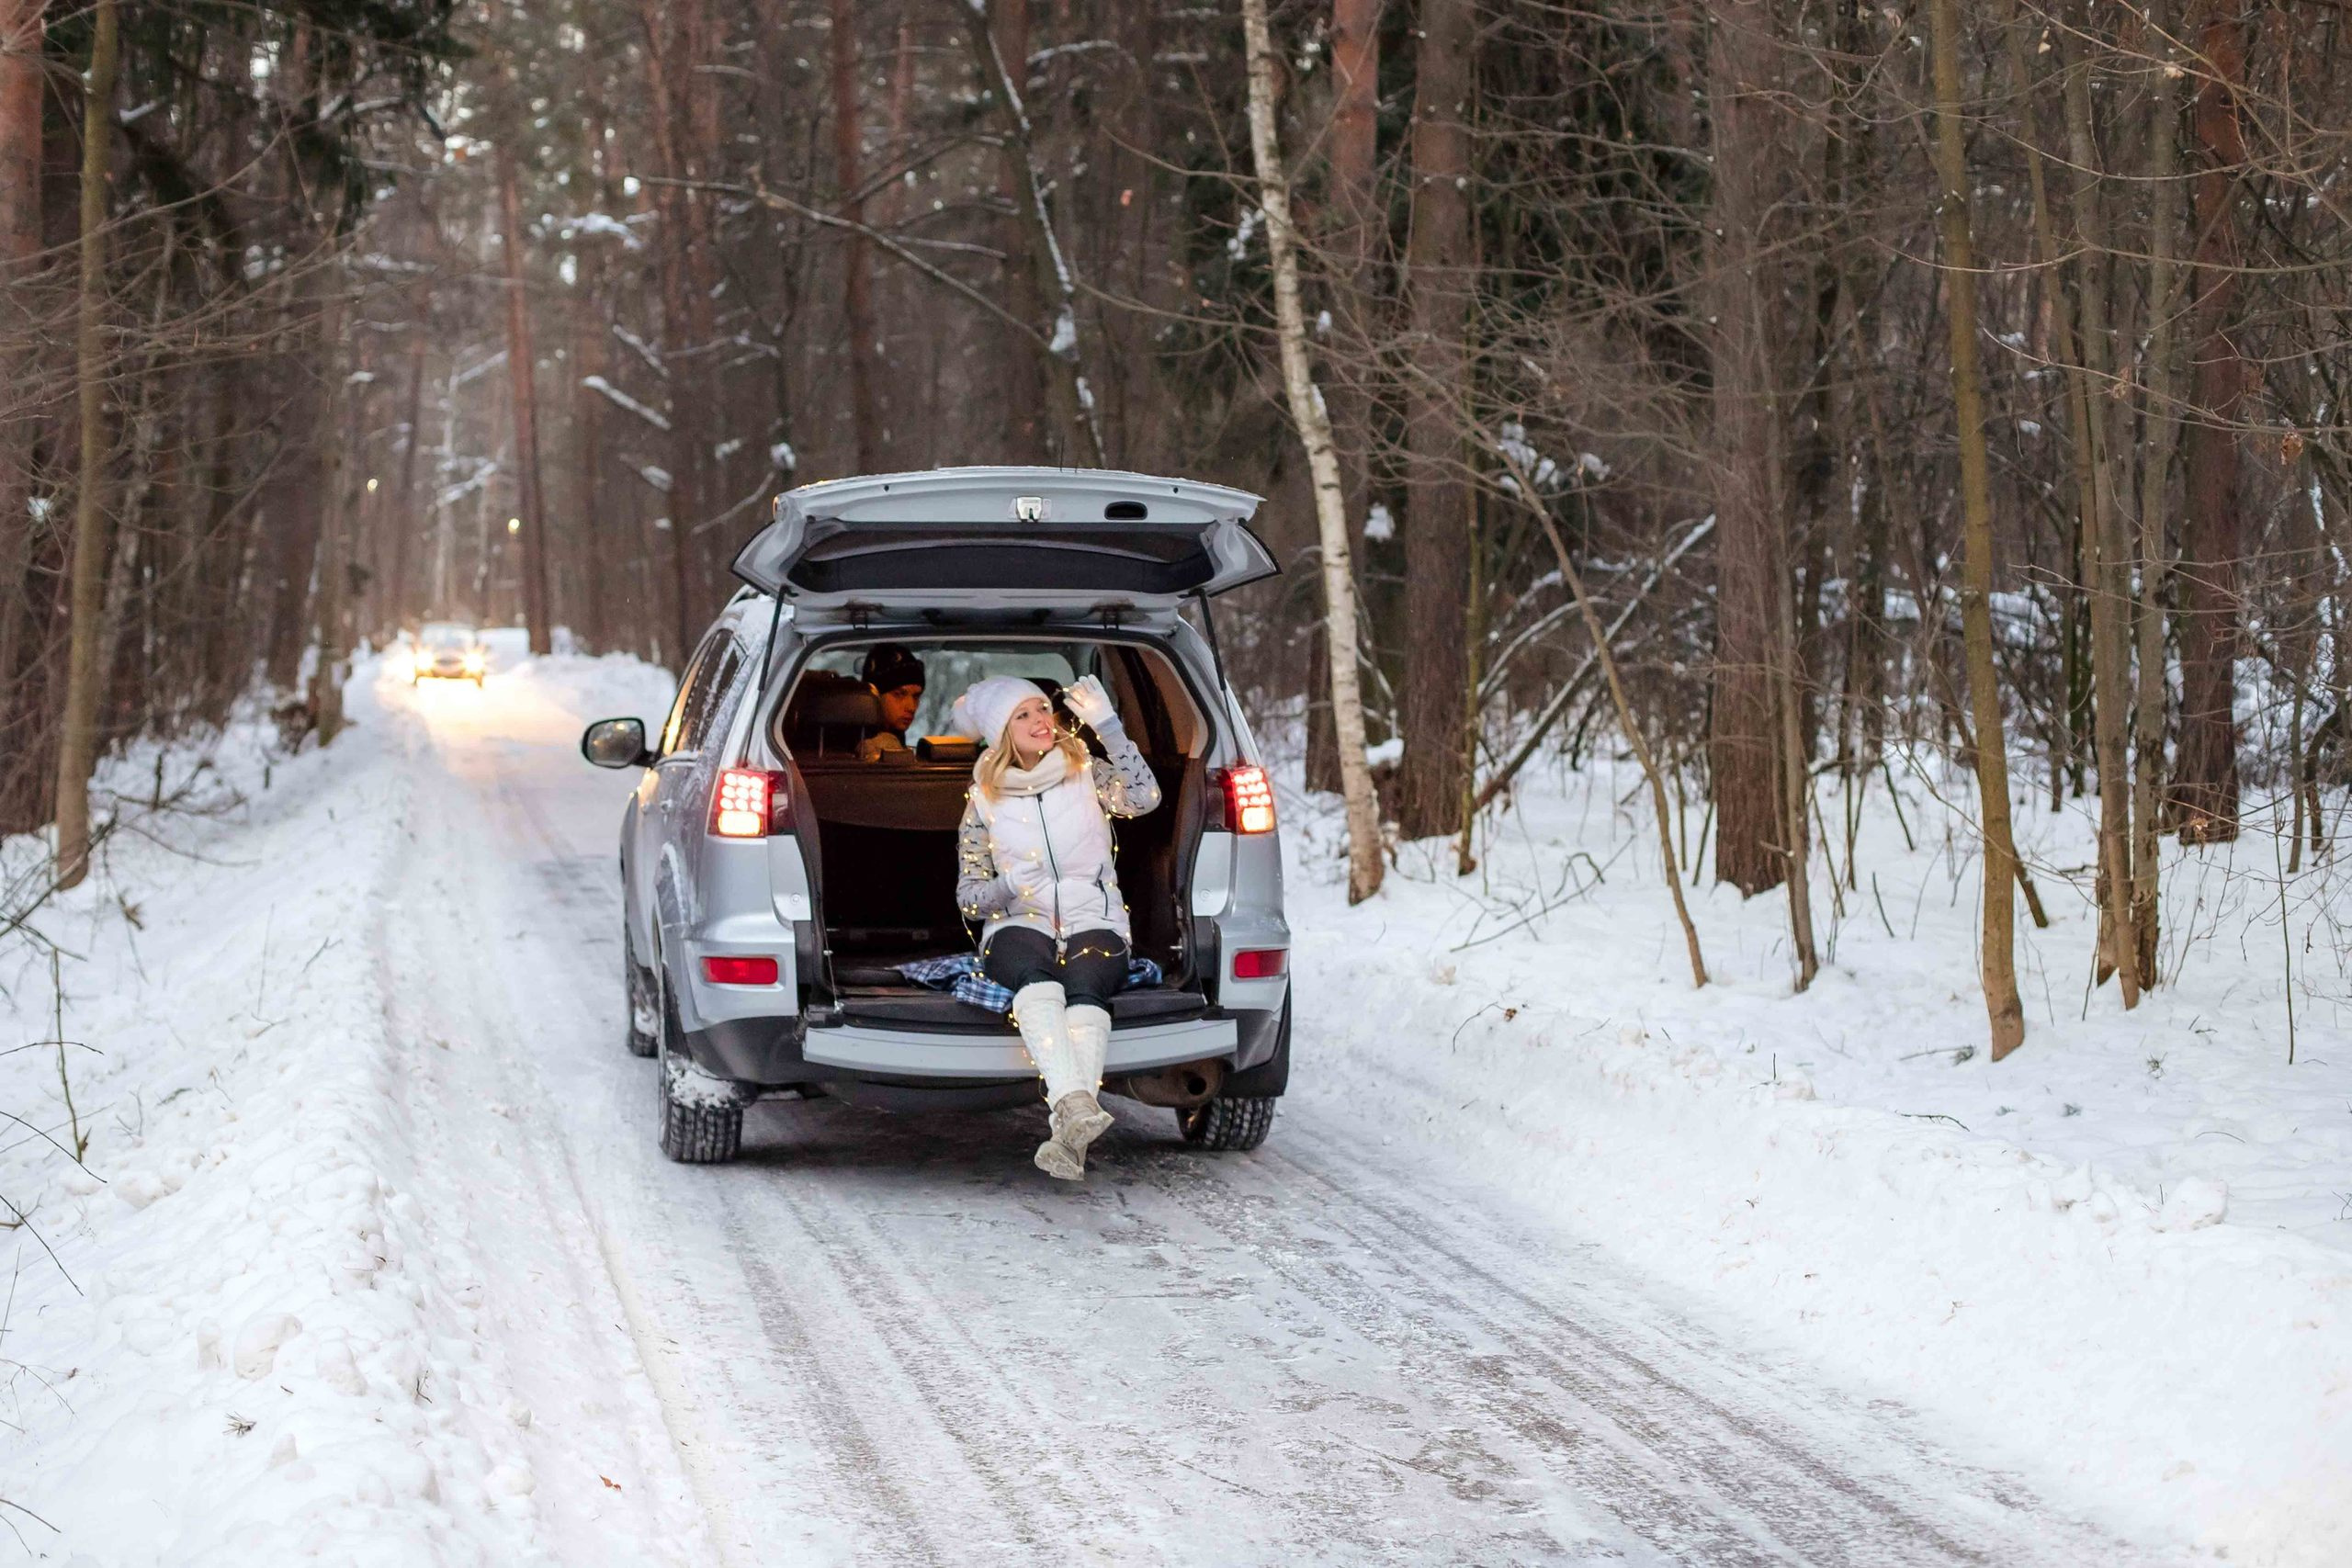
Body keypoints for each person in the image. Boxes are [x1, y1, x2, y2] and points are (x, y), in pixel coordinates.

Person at [952, 672, 1160, 1179]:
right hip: (1019, 921)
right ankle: (1074, 1108)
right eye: (1022, 715)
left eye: (1042, 708)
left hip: (1095, 916)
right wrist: (1006, 887)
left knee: (1087, 988)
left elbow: (1145, 798)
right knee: (1037, 980)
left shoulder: (1084, 770)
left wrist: (1109, 727)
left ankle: (1070, 1127)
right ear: (1002, 732)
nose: (1040, 720)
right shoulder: (983, 799)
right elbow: (970, 899)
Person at [856, 643, 925, 761]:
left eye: (916, 696)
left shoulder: (898, 740)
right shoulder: (869, 749)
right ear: (874, 697)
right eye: (899, 695)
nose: (912, 707)